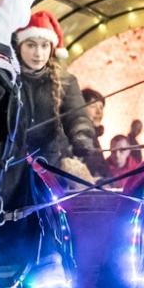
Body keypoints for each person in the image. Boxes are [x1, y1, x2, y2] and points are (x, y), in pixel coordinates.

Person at [13, 11, 108, 178]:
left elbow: (77, 116)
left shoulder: (65, 81)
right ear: (20, 46)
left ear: (52, 48)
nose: (38, 53)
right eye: (31, 45)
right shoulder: (8, 78)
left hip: (52, 164)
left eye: (44, 46)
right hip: (12, 163)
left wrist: (82, 136)